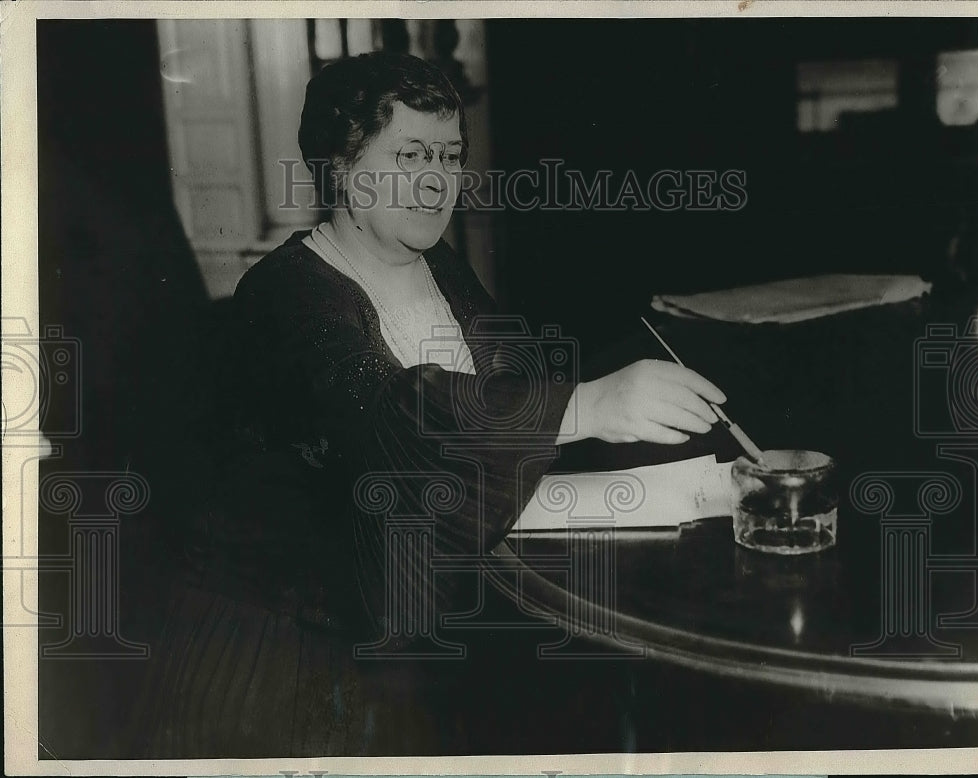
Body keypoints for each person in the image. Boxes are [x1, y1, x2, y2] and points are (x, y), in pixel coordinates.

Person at [129, 50, 729, 757]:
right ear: (340, 167)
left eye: (448, 158)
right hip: (277, 661)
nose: (435, 184)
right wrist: (592, 404)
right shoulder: (282, 296)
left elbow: (510, 393)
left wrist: (668, 447)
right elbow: (392, 421)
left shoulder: (441, 268)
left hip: (402, 640)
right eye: (410, 156)